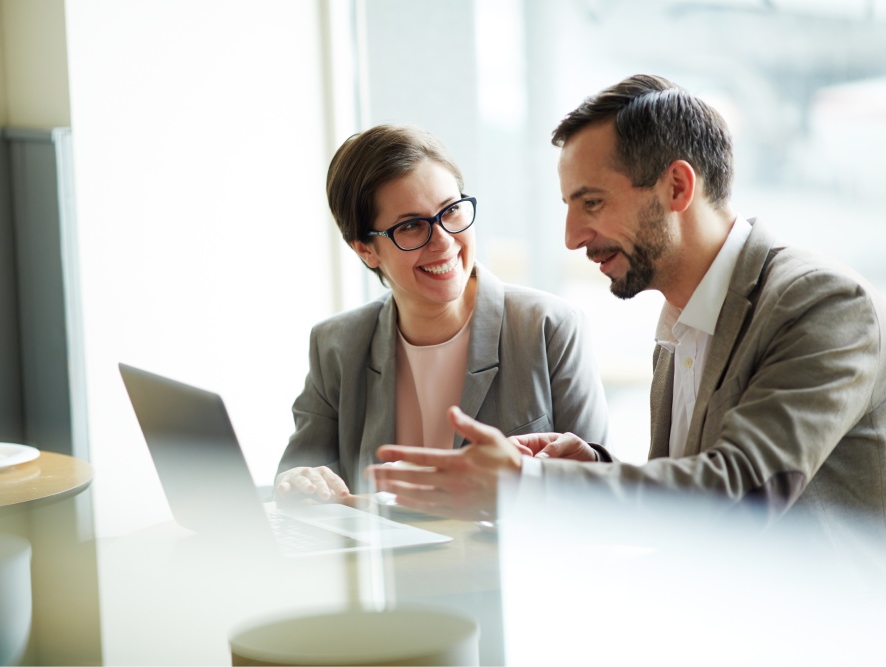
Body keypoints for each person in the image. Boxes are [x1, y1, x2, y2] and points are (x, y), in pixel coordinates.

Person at [370, 75, 886, 550]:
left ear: (678, 188)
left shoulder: (824, 303)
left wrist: (529, 485)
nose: (572, 237)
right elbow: (689, 498)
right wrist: (593, 467)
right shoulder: (683, 317)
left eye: (591, 203)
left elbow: (741, 493)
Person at [275, 124, 610, 504]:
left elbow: (600, 491)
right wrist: (301, 483)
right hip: (384, 563)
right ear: (366, 250)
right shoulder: (336, 345)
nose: (444, 241)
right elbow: (297, 481)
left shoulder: (548, 327)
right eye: (412, 226)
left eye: (450, 211)